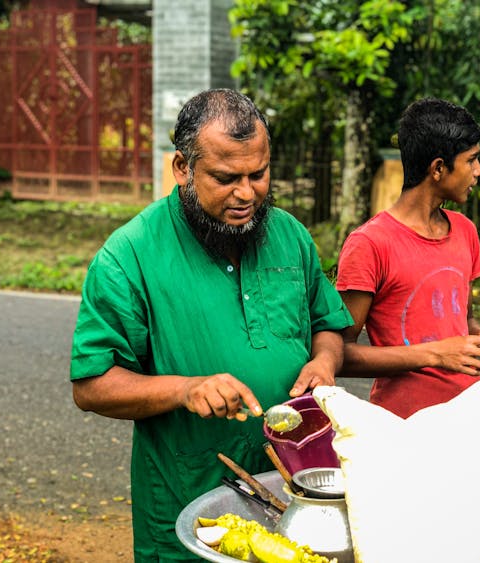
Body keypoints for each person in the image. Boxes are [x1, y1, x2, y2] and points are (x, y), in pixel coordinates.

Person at [70, 88, 353, 561]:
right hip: (189, 502)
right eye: (226, 178)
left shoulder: (290, 236)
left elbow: (328, 323)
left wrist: (324, 362)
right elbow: (93, 385)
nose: (247, 193)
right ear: (183, 168)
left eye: (258, 174)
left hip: (294, 495)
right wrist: (185, 390)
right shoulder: (128, 257)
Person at [336, 97, 480, 419]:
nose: (478, 171)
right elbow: (339, 354)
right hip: (403, 426)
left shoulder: (465, 231)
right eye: (472, 160)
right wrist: (435, 355)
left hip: (466, 415)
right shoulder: (369, 243)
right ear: (438, 168)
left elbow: (463, 325)